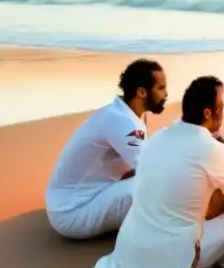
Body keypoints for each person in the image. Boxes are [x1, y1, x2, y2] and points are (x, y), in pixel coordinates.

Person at [92, 76, 224, 268]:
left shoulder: (158, 138)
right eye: (221, 107)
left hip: (130, 253)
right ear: (207, 113)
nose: (223, 113)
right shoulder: (212, 150)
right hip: (173, 261)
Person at [44, 58, 167, 239]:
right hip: (72, 214)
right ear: (142, 92)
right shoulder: (124, 123)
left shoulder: (121, 114)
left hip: (68, 202)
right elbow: (153, 171)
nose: (166, 94)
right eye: (161, 88)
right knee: (160, 187)